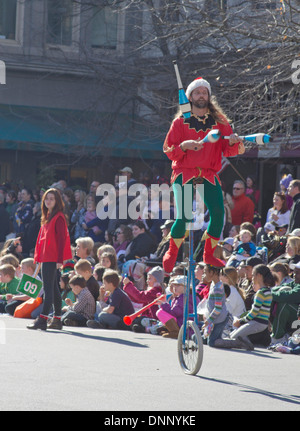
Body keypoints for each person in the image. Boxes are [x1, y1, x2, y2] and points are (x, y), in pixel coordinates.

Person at [162, 76, 244, 272]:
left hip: (208, 173)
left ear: (209, 96)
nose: (201, 95)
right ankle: (172, 251)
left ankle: (209, 253)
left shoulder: (220, 121)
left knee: (218, 213)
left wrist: (233, 142)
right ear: (190, 97)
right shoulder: (180, 122)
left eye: (204, 92)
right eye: (197, 92)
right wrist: (184, 146)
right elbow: (168, 149)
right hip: (184, 171)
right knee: (184, 216)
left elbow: (229, 149)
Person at [27, 188, 73, 331]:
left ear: (57, 201)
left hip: (52, 257)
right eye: (47, 198)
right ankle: (57, 320)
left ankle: (43, 319)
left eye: (52, 199)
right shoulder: (48, 215)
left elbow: (61, 240)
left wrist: (60, 260)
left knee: (48, 289)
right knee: (53, 289)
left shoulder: (58, 217)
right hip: (47, 256)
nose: (48, 201)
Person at [215, 264, 274, 351]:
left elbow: (254, 312)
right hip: (261, 323)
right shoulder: (268, 291)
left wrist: (241, 321)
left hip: (257, 322)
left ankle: (245, 344)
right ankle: (244, 341)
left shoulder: (260, 293)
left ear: (259, 276)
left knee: (232, 337)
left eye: (253, 275)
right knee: (233, 335)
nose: (252, 277)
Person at [123, 266, 164, 333]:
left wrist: (128, 285)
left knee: (138, 320)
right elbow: (138, 299)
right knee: (137, 320)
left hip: (154, 318)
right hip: (149, 317)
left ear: (157, 280)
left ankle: (147, 328)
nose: (147, 281)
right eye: (147, 279)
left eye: (150, 279)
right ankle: (144, 328)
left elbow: (139, 297)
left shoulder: (155, 291)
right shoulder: (153, 290)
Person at [270, 261, 300, 344]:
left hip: (298, 320)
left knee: (284, 304)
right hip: (295, 319)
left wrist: (269, 294)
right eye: (294, 272)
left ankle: (277, 337)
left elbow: (288, 296)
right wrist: (267, 293)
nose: (294, 275)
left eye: (297, 273)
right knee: (273, 299)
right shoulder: (295, 283)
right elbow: (278, 288)